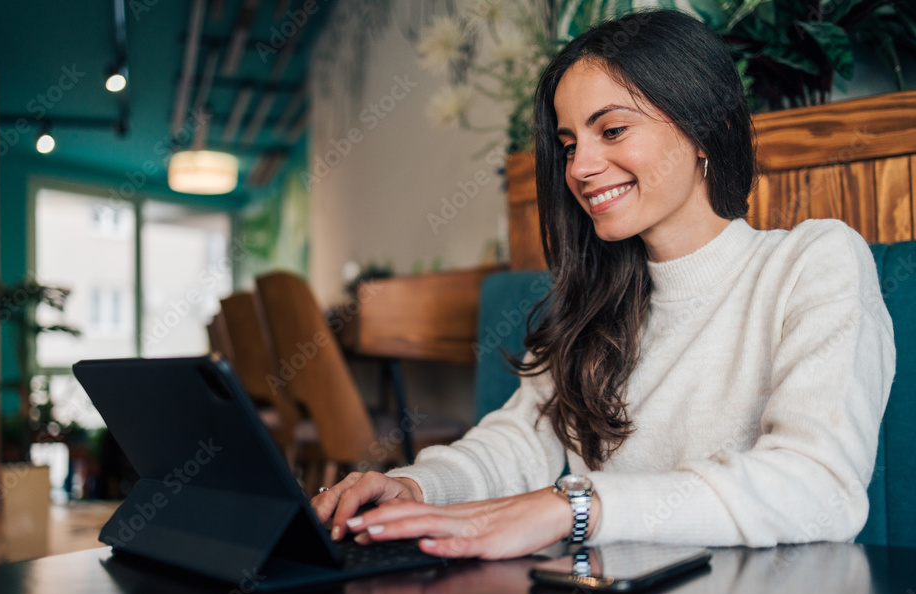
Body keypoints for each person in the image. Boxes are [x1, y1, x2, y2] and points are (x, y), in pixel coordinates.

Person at [312, 9, 896, 559]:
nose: (579, 168)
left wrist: (575, 506)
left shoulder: (814, 262)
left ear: (707, 128)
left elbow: (820, 488)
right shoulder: (598, 302)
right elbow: (516, 443)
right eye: (569, 145)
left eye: (612, 130)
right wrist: (415, 487)